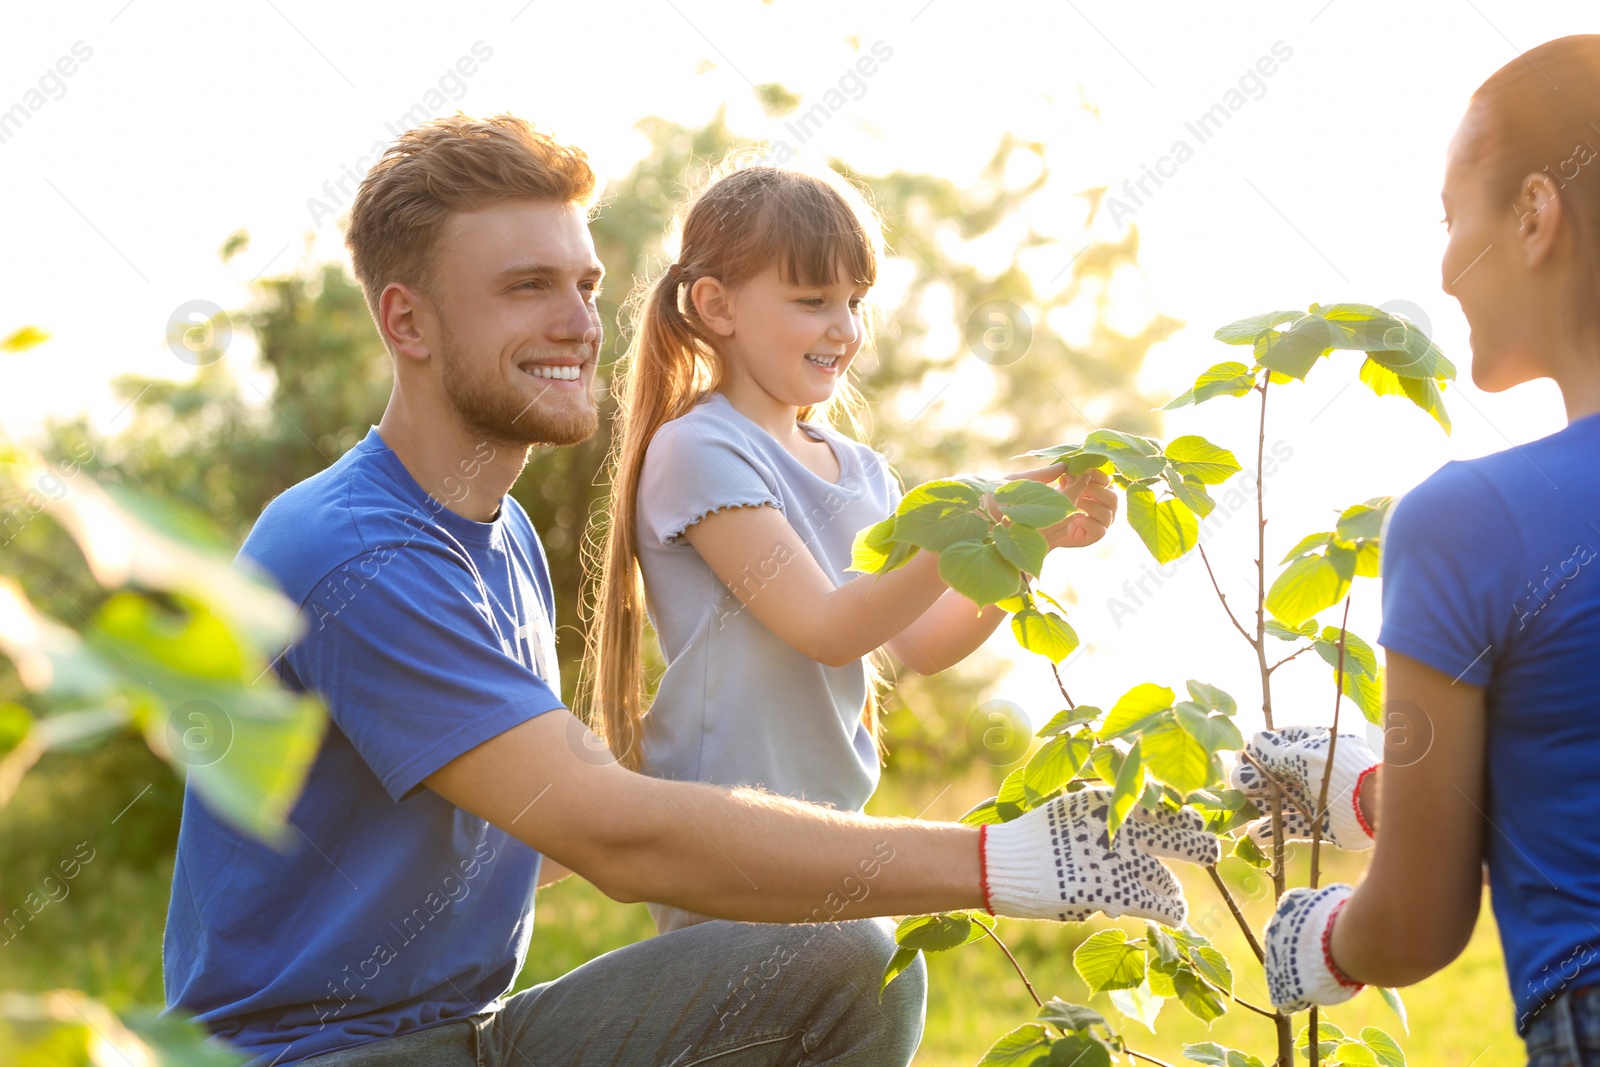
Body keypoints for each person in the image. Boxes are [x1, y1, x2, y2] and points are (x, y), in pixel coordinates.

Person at [160, 113, 1221, 1067]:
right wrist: (1009, 861)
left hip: (466, 1030)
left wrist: (681, 802)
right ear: (408, 323)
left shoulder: (497, 533)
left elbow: (547, 825)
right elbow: (613, 835)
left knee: (833, 963)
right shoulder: (363, 554)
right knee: (843, 952)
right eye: (525, 286)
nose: (579, 320)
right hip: (323, 1056)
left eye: (581, 283)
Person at [583, 161, 1119, 935]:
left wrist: (1024, 539)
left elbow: (924, 643)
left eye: (855, 302)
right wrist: (972, 522)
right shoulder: (698, 449)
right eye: (812, 301)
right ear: (715, 305)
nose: (845, 328)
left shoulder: (861, 470)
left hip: (832, 830)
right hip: (724, 833)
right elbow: (831, 628)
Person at [1240, 35, 1600, 1067]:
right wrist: (1380, 795)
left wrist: (1315, 939)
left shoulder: (1474, 517)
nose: (1442, 267)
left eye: (1453, 219)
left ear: (1534, 212)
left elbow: (1416, 920)